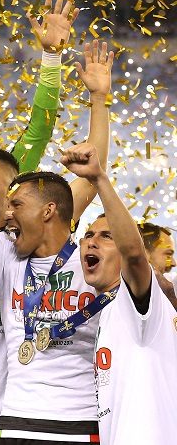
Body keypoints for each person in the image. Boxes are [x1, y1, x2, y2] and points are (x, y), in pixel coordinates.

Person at [0, 39, 113, 443]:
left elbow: (93, 175)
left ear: (49, 211)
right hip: (12, 422)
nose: (8, 213)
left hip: (81, 424)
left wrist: (99, 99)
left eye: (16, 204)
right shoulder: (5, 256)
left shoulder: (92, 259)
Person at [60, 142, 177, 444]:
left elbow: (134, 256)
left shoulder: (139, 305)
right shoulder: (108, 311)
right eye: (88, 235)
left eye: (106, 236)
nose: (91, 241)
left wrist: (99, 180)